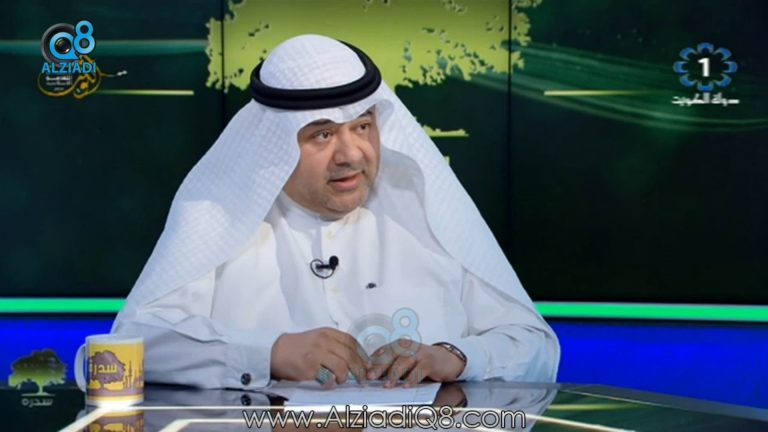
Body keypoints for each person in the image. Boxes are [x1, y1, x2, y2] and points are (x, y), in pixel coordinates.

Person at [111, 34, 560, 390]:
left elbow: (536, 346)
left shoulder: (420, 203)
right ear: (276, 144)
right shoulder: (223, 214)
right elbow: (124, 348)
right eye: (322, 135)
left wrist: (455, 357)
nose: (351, 154)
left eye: (363, 127)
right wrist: (269, 354)